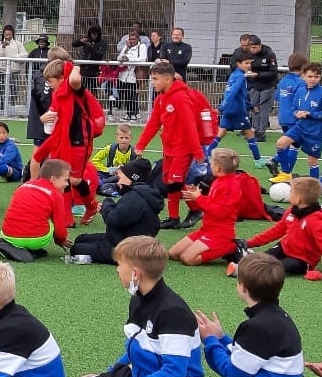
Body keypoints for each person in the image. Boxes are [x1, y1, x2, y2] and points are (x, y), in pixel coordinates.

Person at [62, 237, 204, 377]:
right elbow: (134, 349)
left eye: (120, 265)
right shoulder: (138, 299)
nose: (117, 270)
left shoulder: (172, 313)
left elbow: (174, 374)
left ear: (135, 273)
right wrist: (109, 375)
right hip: (135, 376)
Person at [177, 251, 303, 377]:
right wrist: (221, 337)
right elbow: (248, 358)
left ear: (242, 287)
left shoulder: (259, 326)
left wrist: (210, 341)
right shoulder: (273, 317)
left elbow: (234, 374)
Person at [136, 59, 207, 229]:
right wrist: (141, 144)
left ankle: (193, 210)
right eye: (152, 79)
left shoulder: (180, 98)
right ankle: (177, 216)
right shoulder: (161, 99)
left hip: (183, 149)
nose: (152, 83)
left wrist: (197, 151)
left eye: (155, 79)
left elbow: (190, 126)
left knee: (175, 181)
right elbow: (153, 123)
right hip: (169, 148)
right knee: (169, 181)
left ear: (168, 79)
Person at [243, 176, 322, 281]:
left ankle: (247, 272)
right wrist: (249, 243)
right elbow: (275, 232)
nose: (289, 194)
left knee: (276, 268)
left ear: (298, 198)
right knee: (261, 259)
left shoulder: (316, 221)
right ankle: (243, 259)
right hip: (284, 248)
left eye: (291, 192)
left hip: (302, 259)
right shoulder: (291, 211)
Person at [69, 156, 160, 264]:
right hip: (123, 239)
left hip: (124, 248)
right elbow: (122, 215)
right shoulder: (140, 195)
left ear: (131, 179)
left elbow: (113, 219)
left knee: (76, 249)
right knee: (80, 239)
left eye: (121, 178)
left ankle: (121, 259)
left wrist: (106, 205)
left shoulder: (135, 198)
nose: (118, 182)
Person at [170, 149, 244, 267]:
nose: (210, 165)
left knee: (187, 259)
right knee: (173, 253)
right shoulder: (218, 181)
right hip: (206, 229)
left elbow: (220, 212)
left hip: (220, 233)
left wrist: (199, 198)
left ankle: (231, 246)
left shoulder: (231, 186)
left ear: (218, 168)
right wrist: (196, 197)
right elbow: (212, 204)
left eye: (211, 163)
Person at [0, 158, 72, 263]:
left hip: (8, 235)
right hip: (36, 240)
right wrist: (60, 240)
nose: (67, 184)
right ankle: (31, 249)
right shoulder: (56, 195)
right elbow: (60, 228)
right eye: (65, 180)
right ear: (53, 179)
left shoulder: (24, 185)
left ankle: (8, 246)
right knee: (50, 223)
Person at [274, 61, 322, 183]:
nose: (313, 79)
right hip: (299, 128)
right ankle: (286, 173)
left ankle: (315, 186)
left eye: (316, 77)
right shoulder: (300, 91)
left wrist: (311, 114)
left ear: (320, 77)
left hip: (314, 133)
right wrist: (296, 113)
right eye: (310, 76)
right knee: (281, 143)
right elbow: (294, 108)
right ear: (303, 76)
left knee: (312, 161)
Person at [240, 35, 281, 139]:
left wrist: (258, 75)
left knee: (264, 110)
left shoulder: (269, 54)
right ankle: (255, 129)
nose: (252, 50)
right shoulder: (249, 55)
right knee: (255, 108)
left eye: (254, 47)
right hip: (255, 85)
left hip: (268, 85)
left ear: (260, 46)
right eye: (251, 47)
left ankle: (261, 132)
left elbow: (273, 72)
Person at [0, 25, 25, 113]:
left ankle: (11, 108)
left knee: (13, 90)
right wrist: (3, 47)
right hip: (1, 71)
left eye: (10, 34)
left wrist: (15, 58)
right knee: (0, 89)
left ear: (12, 34)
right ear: (3, 34)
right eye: (6, 35)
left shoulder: (18, 44)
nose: (8, 36)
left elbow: (24, 54)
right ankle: (0, 107)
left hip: (14, 71)